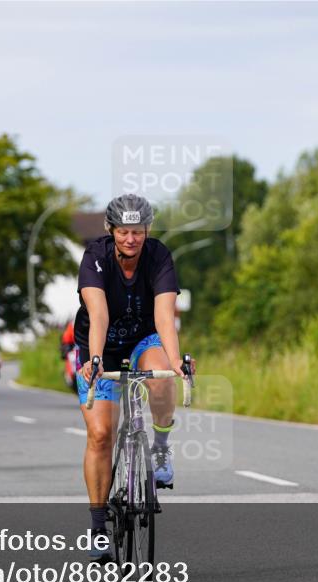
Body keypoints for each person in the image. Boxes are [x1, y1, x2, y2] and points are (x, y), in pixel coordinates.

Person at [74, 193, 185, 559]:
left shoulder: (159, 256)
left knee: (162, 374)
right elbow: (99, 313)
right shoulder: (95, 257)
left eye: (138, 231)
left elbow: (165, 315)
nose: (131, 239)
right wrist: (93, 358)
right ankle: (97, 527)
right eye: (124, 231)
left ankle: (161, 449)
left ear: (147, 230)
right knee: (101, 434)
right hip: (99, 347)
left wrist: (176, 360)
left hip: (142, 339)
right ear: (111, 230)